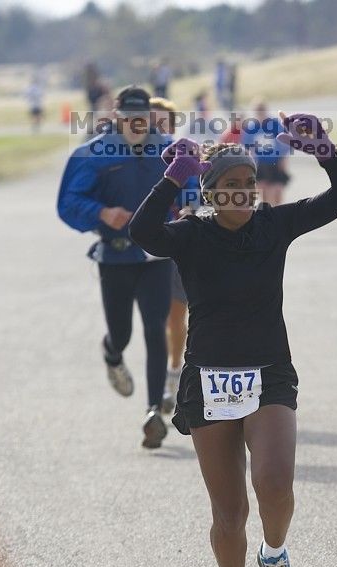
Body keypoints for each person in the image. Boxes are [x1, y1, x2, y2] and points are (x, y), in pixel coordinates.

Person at [129, 113, 337, 567]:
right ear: (210, 193)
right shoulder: (190, 234)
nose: (242, 191)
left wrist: (322, 149)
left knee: (275, 482)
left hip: (269, 373)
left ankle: (274, 554)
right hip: (208, 379)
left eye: (249, 183)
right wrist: (172, 178)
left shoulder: (273, 225)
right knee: (229, 510)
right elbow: (141, 233)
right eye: (230, 184)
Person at [57, 86, 175, 449]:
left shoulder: (169, 149)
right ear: (117, 118)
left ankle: (153, 411)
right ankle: (112, 353)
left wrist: (188, 207)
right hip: (116, 257)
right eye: (129, 118)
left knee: (155, 328)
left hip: (156, 257)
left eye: (142, 118)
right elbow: (68, 202)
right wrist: (102, 213)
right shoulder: (93, 153)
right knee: (121, 333)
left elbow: (193, 188)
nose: (136, 124)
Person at [150, 96, 194, 414]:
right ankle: (162, 377)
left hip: (176, 244)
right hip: (145, 248)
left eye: (162, 123)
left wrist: (190, 209)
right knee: (158, 319)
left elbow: (198, 192)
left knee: (176, 316)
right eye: (151, 123)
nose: (156, 128)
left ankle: (174, 370)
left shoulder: (184, 157)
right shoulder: (135, 159)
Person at [242, 101, 290, 206]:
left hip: (275, 163)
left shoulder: (275, 124)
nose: (260, 114)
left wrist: (283, 159)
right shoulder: (251, 128)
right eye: (258, 112)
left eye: (262, 111)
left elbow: (286, 142)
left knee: (277, 195)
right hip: (260, 165)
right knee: (265, 194)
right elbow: (246, 148)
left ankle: (276, 210)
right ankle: (270, 212)